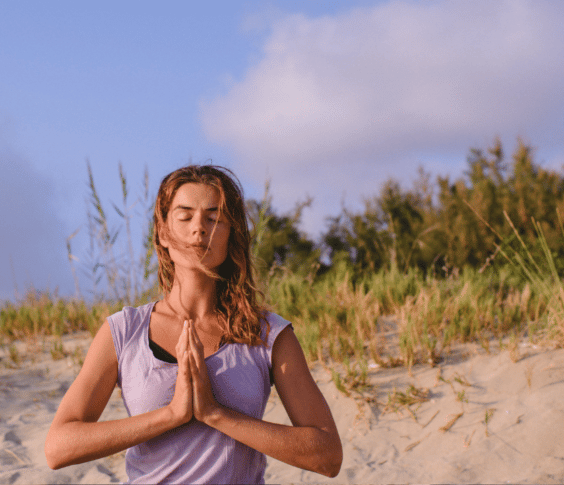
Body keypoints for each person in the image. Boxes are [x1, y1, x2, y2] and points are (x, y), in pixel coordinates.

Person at [44, 165, 342, 483]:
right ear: (162, 232)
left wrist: (215, 413)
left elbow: (327, 456)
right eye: (185, 216)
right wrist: (172, 414)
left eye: (214, 218)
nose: (199, 229)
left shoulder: (268, 333)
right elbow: (58, 448)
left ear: (232, 234)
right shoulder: (124, 331)